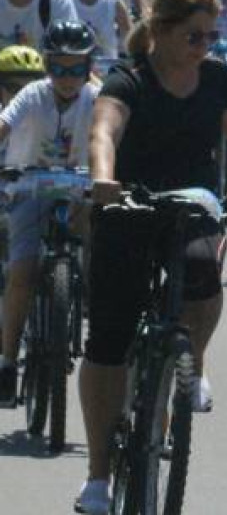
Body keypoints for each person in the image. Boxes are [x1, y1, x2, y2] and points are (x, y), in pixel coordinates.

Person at [75, 0, 227, 514]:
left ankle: (191, 362)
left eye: (210, 37)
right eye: (194, 36)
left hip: (191, 207)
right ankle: (96, 478)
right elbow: (103, 133)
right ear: (159, 31)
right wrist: (104, 179)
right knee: (108, 341)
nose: (204, 46)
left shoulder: (215, 78)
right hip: (129, 208)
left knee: (204, 273)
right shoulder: (129, 79)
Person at [0, 22, 98, 406]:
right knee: (22, 270)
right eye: (60, 67)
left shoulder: (97, 96)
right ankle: (7, 361)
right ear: (47, 66)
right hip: (28, 188)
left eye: (77, 69)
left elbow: (119, 130)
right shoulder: (32, 94)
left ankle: (94, 303)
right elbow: (4, 124)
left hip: (81, 190)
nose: (69, 78)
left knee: (103, 245)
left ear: (88, 66)